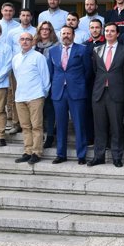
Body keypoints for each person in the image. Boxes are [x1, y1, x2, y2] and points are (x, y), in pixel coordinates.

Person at [88, 22, 124, 167]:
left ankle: (117, 157)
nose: (109, 33)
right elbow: (96, 71)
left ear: (117, 34)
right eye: (107, 31)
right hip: (99, 93)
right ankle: (98, 156)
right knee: (99, 126)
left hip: (117, 93)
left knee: (117, 127)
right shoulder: (96, 49)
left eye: (112, 31)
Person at [48, 25, 91, 165]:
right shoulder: (53, 51)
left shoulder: (83, 49)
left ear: (73, 35)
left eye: (68, 33)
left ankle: (81, 154)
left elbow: (88, 71)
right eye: (64, 33)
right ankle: (61, 154)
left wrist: (79, 84)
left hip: (77, 91)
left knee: (79, 123)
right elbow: (51, 72)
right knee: (60, 124)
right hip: (59, 92)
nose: (66, 35)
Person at [12, 31, 50, 165]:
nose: (25, 41)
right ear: (19, 41)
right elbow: (17, 76)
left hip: (35, 96)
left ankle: (36, 152)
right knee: (25, 126)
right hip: (20, 97)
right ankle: (27, 151)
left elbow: (46, 78)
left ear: (33, 41)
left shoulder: (38, 57)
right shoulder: (15, 58)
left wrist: (43, 94)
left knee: (36, 126)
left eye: (28, 39)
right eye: (22, 39)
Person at [34, 21, 59, 147]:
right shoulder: (34, 46)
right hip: (34, 84)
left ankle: (50, 136)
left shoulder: (56, 46)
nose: (44, 31)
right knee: (38, 111)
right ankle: (38, 136)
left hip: (51, 81)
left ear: (51, 31)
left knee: (50, 110)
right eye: (42, 29)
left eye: (47, 29)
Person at [0, 2, 20, 136]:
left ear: (14, 12)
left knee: (13, 92)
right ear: (2, 11)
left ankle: (13, 119)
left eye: (10, 11)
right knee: (0, 92)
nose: (8, 13)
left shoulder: (17, 27)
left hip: (13, 64)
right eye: (5, 10)